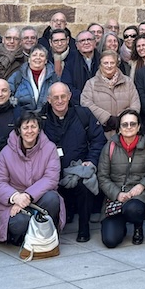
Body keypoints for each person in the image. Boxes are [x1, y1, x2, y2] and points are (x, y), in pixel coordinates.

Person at [41, 83, 106, 242]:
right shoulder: (40, 119)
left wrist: (91, 161)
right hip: (51, 171)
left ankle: (84, 228)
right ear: (49, 99)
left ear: (69, 96)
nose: (60, 100)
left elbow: (98, 140)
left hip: (77, 169)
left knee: (85, 185)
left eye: (63, 96)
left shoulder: (83, 114)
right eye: (55, 97)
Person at [0, 111, 65, 245]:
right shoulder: (6, 152)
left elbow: (51, 178)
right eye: (25, 127)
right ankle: (20, 237)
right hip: (13, 202)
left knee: (53, 199)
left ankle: (46, 233)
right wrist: (16, 197)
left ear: (39, 129)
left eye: (33, 127)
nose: (29, 131)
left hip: (39, 198)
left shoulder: (50, 148)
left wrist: (27, 196)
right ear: (19, 130)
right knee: (19, 223)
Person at [97, 110, 145, 247]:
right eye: (125, 124)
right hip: (115, 196)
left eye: (132, 124)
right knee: (110, 241)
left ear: (138, 126)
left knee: (134, 209)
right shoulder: (110, 147)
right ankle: (120, 224)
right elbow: (102, 176)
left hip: (139, 194)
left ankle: (138, 226)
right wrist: (117, 194)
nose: (129, 127)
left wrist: (142, 186)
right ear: (119, 128)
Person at [81, 50, 141, 138]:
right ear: (100, 64)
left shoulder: (128, 82)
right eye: (105, 63)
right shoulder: (91, 83)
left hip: (126, 132)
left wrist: (122, 120)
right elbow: (86, 103)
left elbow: (135, 104)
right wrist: (107, 119)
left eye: (112, 63)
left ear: (117, 64)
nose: (109, 66)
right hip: (101, 133)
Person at [11, 45, 56, 114]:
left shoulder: (53, 77)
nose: (38, 58)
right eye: (34, 55)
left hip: (47, 117)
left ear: (46, 60)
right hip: (22, 118)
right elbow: (8, 94)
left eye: (41, 55)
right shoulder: (18, 75)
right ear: (29, 59)